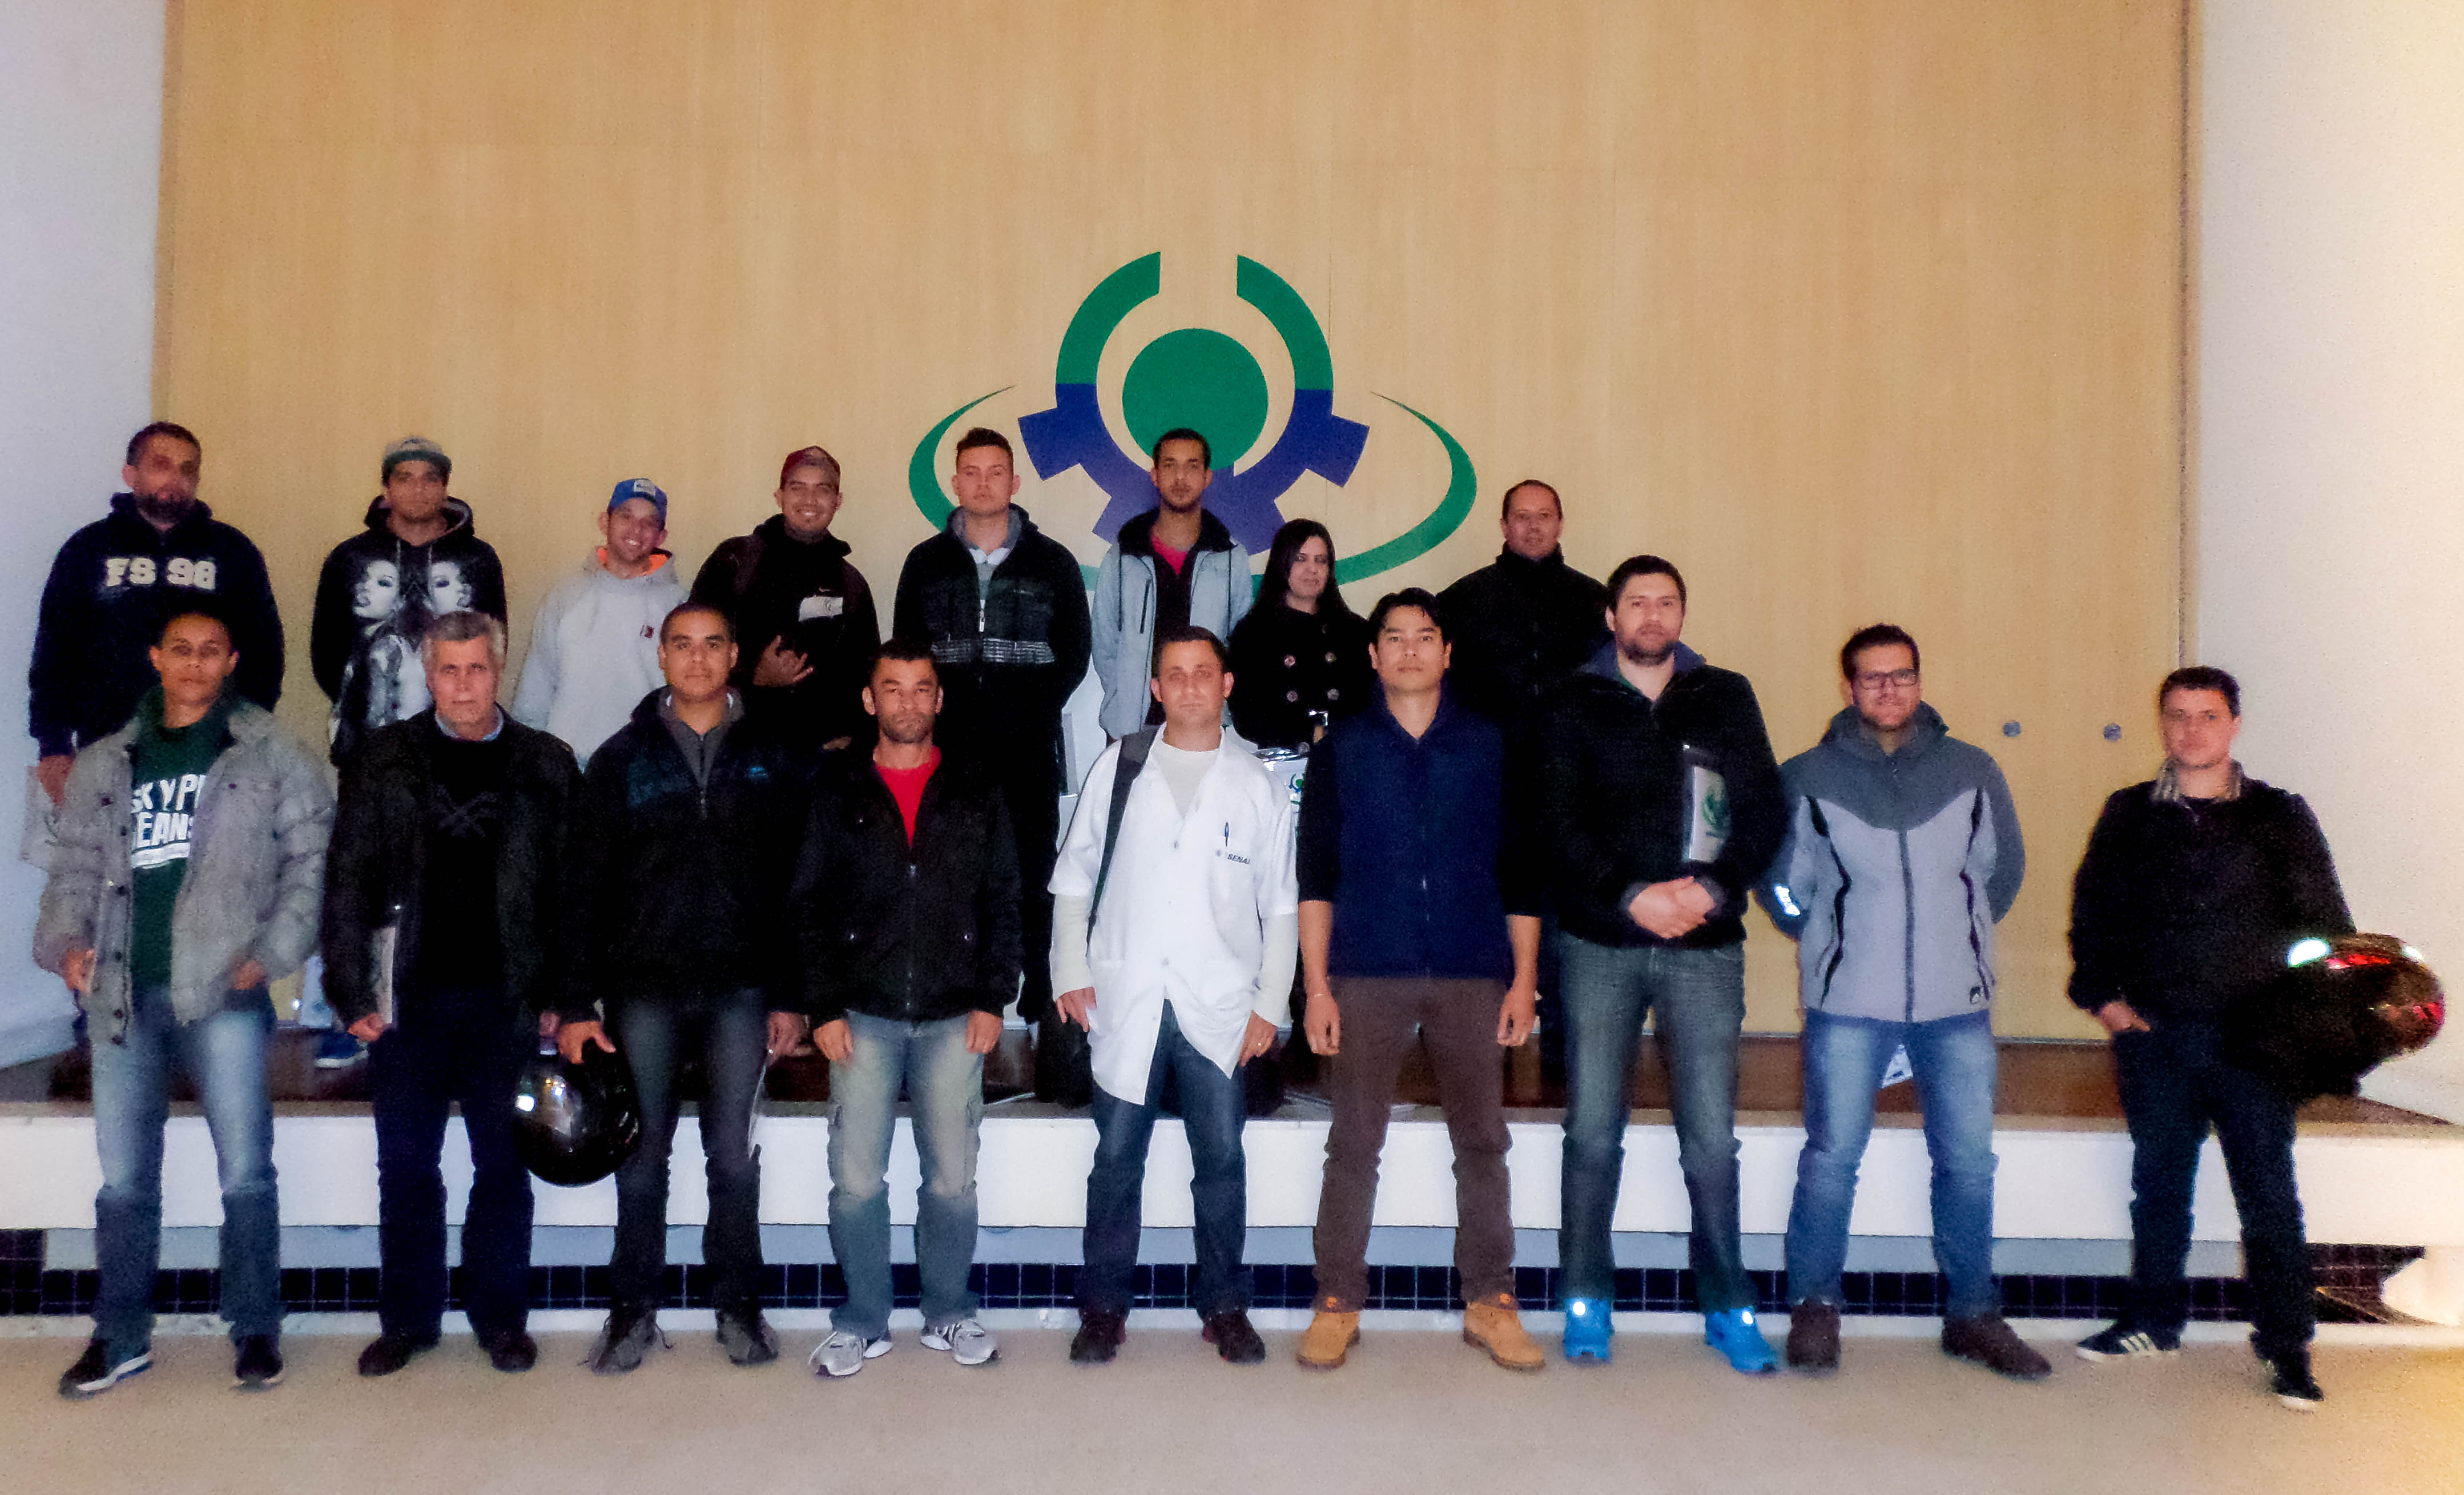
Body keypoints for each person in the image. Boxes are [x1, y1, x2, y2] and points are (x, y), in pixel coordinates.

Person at [35, 608, 331, 1398]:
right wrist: (64, 946)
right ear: (156, 658)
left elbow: (312, 861)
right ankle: (120, 1335)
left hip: (224, 991)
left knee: (247, 1172)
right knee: (124, 1181)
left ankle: (256, 1329)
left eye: (210, 651)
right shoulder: (106, 761)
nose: (195, 663)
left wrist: (271, 955)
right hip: (122, 994)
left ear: (231, 661)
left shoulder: (271, 753)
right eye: (181, 650)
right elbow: (72, 870)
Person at [1756, 624, 2046, 1380]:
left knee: (1968, 1162)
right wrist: (1829, 939)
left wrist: (1962, 938)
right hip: (1848, 1001)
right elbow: (1782, 886)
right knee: (1831, 1158)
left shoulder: (1972, 768)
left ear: (1919, 681)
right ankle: (1814, 1307)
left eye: (1901, 675)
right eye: (1872, 677)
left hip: (1956, 1004)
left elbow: (2002, 871)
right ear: (1848, 687)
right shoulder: (1806, 775)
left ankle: (1973, 1314)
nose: (1888, 689)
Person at [2067, 665, 2352, 1410]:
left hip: (2253, 1046)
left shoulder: (2280, 816)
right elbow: (2092, 913)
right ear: (2161, 722)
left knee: (2268, 1196)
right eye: (2177, 714)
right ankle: (2152, 1322)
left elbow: (2324, 928)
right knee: (2159, 1188)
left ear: (2234, 724)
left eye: (2207, 715)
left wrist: (2300, 1021)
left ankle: (2287, 1346)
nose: (2191, 729)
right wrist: (2106, 1002)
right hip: (2156, 1037)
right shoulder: (2128, 813)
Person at [1536, 554, 1786, 1372]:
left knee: (1710, 1140)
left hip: (1704, 947)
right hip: (1600, 944)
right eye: (1636, 602)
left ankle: (1728, 1304)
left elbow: (1762, 810)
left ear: (1682, 614)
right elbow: (1555, 821)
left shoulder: (1724, 694)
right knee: (1591, 1134)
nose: (1652, 615)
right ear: (1611, 617)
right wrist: (1629, 895)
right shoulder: (1571, 699)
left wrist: (1712, 889)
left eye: (1666, 602)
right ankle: (1586, 1298)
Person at [322, 610, 585, 1379]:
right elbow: (347, 877)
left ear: (497, 671)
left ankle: (501, 1320)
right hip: (407, 1003)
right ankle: (408, 1322)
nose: (464, 686)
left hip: (508, 1001)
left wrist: (565, 994)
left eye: (477, 669)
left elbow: (572, 893)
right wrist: (350, 989)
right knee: (407, 1166)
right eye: (449, 669)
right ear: (428, 673)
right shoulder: (384, 758)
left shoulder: (546, 763)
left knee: (503, 1165)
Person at [1294, 590, 1544, 1372]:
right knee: (1353, 1141)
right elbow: (1315, 876)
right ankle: (1337, 1299)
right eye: (1394, 637)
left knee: (1483, 1140)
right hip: (1366, 968)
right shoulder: (1342, 748)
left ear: (1446, 652)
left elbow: (1520, 870)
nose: (1409, 649)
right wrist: (1317, 987)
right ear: (1372, 655)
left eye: (1424, 636)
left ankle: (1491, 1300)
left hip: (1472, 967)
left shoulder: (1489, 743)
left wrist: (1523, 979)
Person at [557, 602, 811, 1374]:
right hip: (645, 988)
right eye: (681, 645)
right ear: (661, 656)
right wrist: (577, 1003)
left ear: (734, 656)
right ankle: (632, 1312)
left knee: (732, 1157)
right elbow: (581, 888)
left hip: (742, 987)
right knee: (641, 1156)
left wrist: (792, 994)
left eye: (712, 645)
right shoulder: (620, 759)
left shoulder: (775, 755)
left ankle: (739, 1305)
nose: (697, 658)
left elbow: (799, 886)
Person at [1050, 625, 1297, 1365]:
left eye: (1203, 671)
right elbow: (1073, 875)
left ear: (1226, 684)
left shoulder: (1256, 783)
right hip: (1125, 994)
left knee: (1220, 1161)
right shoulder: (1120, 765)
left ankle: (1224, 1305)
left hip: (1219, 1003)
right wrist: (1068, 969)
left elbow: (1281, 904)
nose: (1189, 685)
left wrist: (1269, 1005)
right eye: (1175, 674)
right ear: (1156, 688)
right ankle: (1103, 1307)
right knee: (1115, 1161)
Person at [790, 641, 1022, 1377]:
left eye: (923, 688)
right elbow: (808, 904)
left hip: (956, 1014)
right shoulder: (835, 786)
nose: (908, 702)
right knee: (857, 1179)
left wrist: (993, 996)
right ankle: (862, 1320)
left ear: (939, 700)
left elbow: (1004, 897)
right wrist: (823, 1006)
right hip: (861, 1013)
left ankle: (948, 1311)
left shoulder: (976, 786)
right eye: (893, 688)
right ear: (870, 700)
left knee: (952, 1178)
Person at [892, 427, 1092, 1103]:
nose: (983, 483)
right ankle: (953, 1018)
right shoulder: (925, 562)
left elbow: (1072, 654)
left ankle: (1039, 1019)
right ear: (955, 484)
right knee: (950, 884)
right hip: (946, 755)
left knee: (1033, 883)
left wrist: (1025, 713)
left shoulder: (1052, 562)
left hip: (1027, 753)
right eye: (971, 472)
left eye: (995, 471)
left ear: (1014, 482)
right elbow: (907, 656)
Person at [31, 422, 284, 807]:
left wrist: (244, 733)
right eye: (161, 465)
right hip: (106, 746)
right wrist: (53, 745)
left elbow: (263, 652)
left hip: (208, 751)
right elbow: (55, 650)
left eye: (188, 469)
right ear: (130, 474)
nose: (175, 479)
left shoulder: (233, 552)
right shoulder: (87, 549)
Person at [310, 435, 509, 766]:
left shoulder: (478, 559)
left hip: (458, 744)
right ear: (387, 489)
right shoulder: (350, 558)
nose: (419, 489)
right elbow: (326, 652)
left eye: (430, 478)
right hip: (366, 745)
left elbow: (494, 647)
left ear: (445, 487)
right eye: (405, 478)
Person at [689, 445, 880, 755]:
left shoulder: (851, 583)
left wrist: (854, 740)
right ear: (779, 496)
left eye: (823, 489)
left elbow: (867, 674)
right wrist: (755, 676)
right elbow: (693, 651)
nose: (809, 500)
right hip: (740, 752)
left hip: (823, 760)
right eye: (797, 488)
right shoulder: (734, 562)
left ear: (838, 501)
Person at [1089, 429, 1253, 741]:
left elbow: (1238, 646)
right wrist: (1125, 696)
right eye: (1170, 465)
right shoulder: (1123, 556)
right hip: (1132, 726)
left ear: (1207, 477)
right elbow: (1105, 643)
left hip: (1203, 725)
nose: (1180, 477)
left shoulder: (1231, 558)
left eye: (1192, 466)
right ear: (1155, 475)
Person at [512, 478, 689, 765]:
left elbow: (687, 699)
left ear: (661, 536)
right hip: (568, 765)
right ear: (605, 522)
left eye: (648, 523)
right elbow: (537, 685)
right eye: (626, 516)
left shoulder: (679, 607)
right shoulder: (565, 596)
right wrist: (532, 759)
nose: (636, 530)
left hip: (643, 769)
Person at [1434, 480, 1606, 729]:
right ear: (1504, 526)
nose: (1533, 526)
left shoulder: (1594, 599)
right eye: (1522, 516)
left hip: (1574, 742)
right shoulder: (1462, 598)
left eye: (1544, 516)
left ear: (1560, 525)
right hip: (1487, 741)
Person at [1227, 519, 1375, 750]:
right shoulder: (1252, 635)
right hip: (1281, 762)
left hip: (1348, 756)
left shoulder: (1355, 633)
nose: (1312, 569)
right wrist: (1309, 733)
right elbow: (1247, 716)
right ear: (1281, 564)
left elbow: (1371, 705)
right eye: (1300, 559)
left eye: (1321, 560)